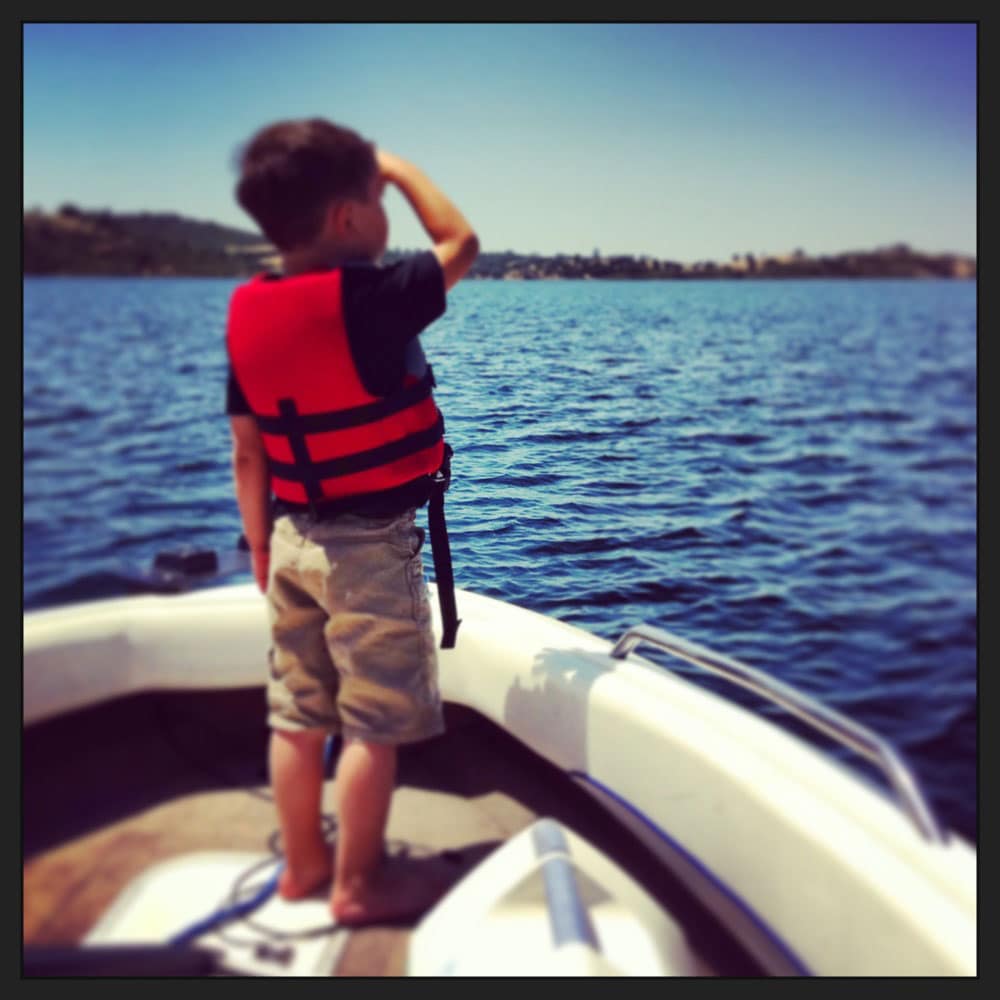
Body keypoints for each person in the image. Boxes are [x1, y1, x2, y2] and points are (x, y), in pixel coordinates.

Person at [224, 117, 478, 924]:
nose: (389, 214)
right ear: (348, 217)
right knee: (372, 726)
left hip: (291, 538)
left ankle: (302, 870)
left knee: (297, 717)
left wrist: (262, 548)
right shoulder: (372, 297)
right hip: (367, 546)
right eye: (378, 200)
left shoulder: (247, 311)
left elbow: (246, 453)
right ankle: (358, 886)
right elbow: (462, 241)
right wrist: (398, 165)